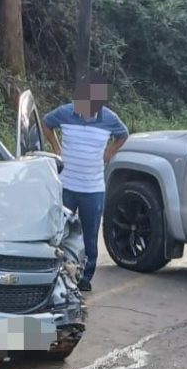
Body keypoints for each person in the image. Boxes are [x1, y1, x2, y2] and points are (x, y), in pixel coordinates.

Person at [41, 74, 129, 292]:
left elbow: (123, 134)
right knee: (58, 232)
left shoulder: (109, 118)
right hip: (67, 185)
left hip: (93, 188)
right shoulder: (66, 112)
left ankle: (85, 276)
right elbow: (45, 123)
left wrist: (109, 153)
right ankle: (57, 273)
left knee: (90, 236)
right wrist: (56, 147)